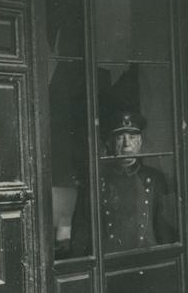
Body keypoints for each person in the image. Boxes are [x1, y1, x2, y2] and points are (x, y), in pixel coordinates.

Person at [69, 109, 175, 256]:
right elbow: (80, 235)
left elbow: (165, 232)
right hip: (109, 266)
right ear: (108, 143)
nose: (127, 145)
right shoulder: (94, 182)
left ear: (140, 142)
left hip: (146, 262)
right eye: (120, 137)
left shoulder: (154, 179)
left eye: (132, 137)